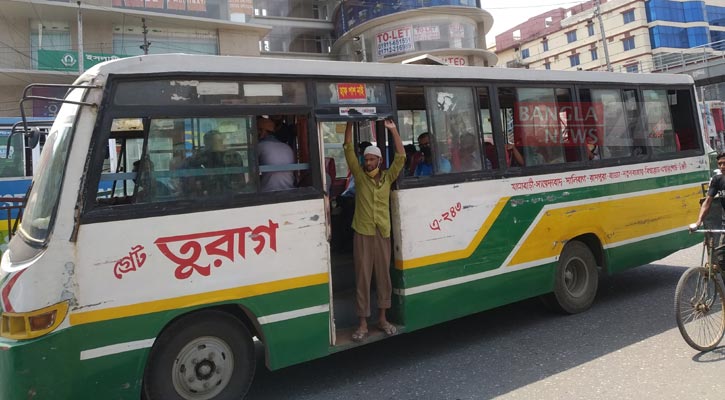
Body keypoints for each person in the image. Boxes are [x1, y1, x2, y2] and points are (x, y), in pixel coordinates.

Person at [343, 119, 405, 342]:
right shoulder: (359, 177)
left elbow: (401, 157)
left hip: (382, 234)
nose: (367, 163)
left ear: (379, 160)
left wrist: (393, 130)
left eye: (371, 159)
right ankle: (362, 323)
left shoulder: (388, 177)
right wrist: (349, 123)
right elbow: (348, 148)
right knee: (362, 277)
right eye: (366, 159)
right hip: (362, 233)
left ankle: (382, 318)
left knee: (383, 276)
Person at [257, 117, 295, 192]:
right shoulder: (287, 147)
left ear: (263, 132)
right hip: (290, 191)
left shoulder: (260, 147)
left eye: (258, 130)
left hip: (268, 193)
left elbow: (252, 174)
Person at [694, 153, 725, 233]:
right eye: (719, 164)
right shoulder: (717, 180)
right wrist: (699, 222)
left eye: (724, 163)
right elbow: (707, 202)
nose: (722, 166)